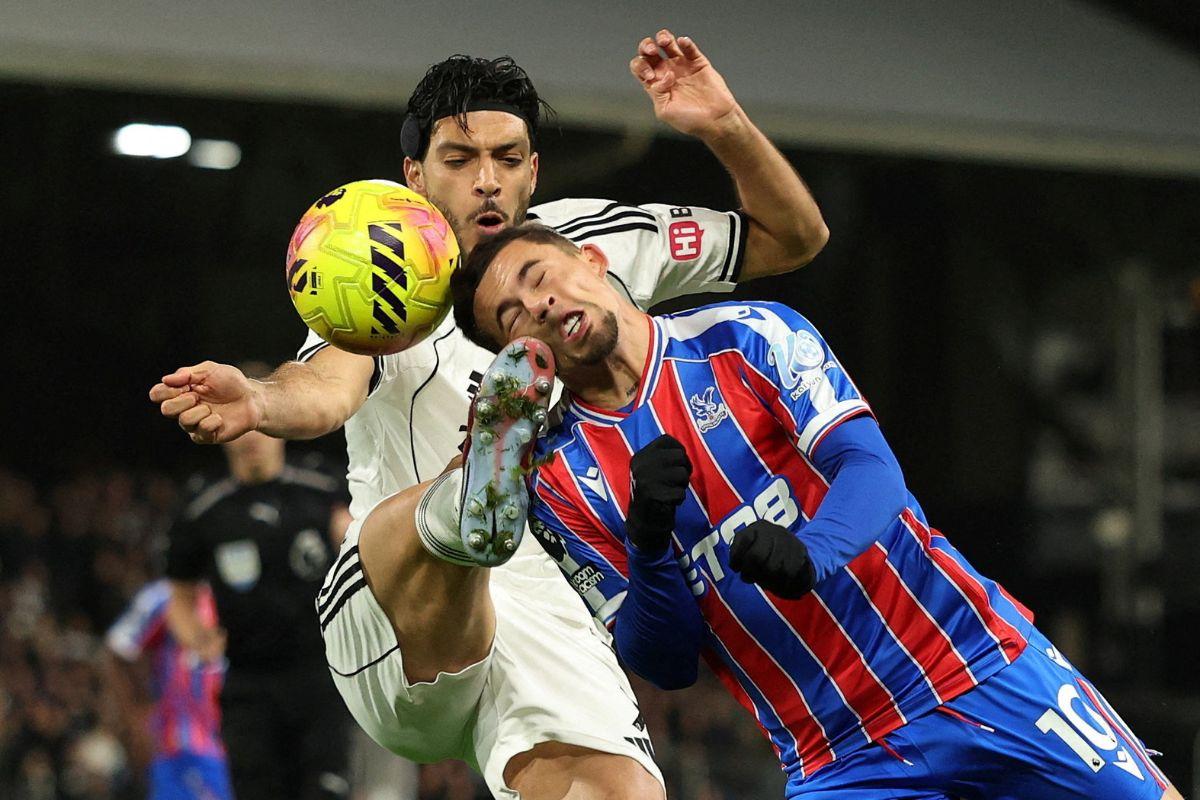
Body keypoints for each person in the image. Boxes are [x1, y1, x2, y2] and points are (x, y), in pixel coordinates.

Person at [149, 30, 829, 798]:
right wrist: (261, 399)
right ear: (414, 175)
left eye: (508, 159)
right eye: (459, 159)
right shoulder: (388, 273)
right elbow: (329, 386)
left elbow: (793, 236)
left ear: (533, 170)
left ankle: (481, 491)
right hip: (394, 611)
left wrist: (725, 126)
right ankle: (468, 494)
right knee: (445, 529)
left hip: (547, 609)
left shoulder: (588, 249)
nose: (486, 182)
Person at [450, 222, 1183, 800]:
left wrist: (813, 552)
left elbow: (870, 468)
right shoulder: (558, 480)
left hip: (972, 665)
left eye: (537, 277)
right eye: (511, 317)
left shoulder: (748, 337)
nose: (537, 306)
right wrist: (647, 544)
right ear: (519, 355)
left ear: (592, 260)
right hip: (836, 759)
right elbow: (664, 662)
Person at [163, 365, 354, 800]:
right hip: (248, 683)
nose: (251, 437)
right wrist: (198, 638)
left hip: (322, 675)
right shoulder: (202, 508)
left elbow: (363, 552)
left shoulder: (324, 488)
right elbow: (180, 597)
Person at [105, 579, 232, 800]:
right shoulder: (162, 598)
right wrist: (135, 714)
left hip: (235, 742)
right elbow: (117, 649)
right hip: (183, 748)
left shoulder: (235, 593)